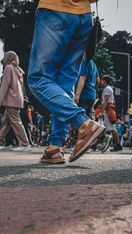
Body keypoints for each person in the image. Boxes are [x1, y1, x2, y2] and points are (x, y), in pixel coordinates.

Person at [28, 0, 105, 164]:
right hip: (84, 17)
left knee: (38, 78)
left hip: (54, 10)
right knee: (65, 84)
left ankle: (83, 123)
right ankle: (55, 147)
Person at [0, 51, 30, 151]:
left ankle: (25, 144)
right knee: (6, 123)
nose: (3, 59)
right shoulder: (18, 70)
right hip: (17, 99)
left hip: (11, 100)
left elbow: (4, 86)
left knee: (16, 122)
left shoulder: (8, 68)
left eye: (5, 57)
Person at [100, 75, 122, 152]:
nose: (100, 82)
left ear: (105, 81)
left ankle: (118, 145)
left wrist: (102, 112)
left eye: (101, 80)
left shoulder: (107, 89)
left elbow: (105, 101)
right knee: (111, 128)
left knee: (112, 129)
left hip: (108, 109)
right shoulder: (108, 89)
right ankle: (117, 144)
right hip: (109, 109)